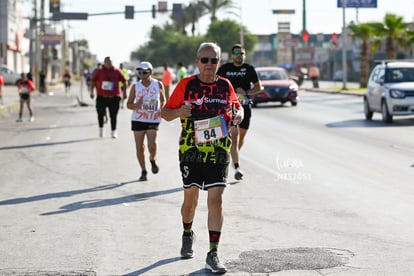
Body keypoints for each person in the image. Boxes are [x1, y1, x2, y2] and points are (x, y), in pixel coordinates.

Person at [161, 42, 244, 274]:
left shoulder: (225, 85)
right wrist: (178, 112)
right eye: (205, 60)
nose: (209, 64)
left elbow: (238, 107)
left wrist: (238, 114)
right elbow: (164, 113)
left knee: (216, 200)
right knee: (191, 201)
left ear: (219, 62)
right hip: (191, 151)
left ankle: (213, 253)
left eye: (214, 60)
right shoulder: (186, 85)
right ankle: (187, 232)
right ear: (197, 62)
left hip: (218, 151)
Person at [217, 44, 261, 180]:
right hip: (227, 106)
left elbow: (259, 87)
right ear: (232, 56)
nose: (239, 55)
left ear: (244, 55)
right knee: (232, 134)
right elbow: (215, 83)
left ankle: (233, 154)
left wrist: (246, 92)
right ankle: (235, 164)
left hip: (244, 106)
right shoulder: (225, 69)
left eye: (241, 53)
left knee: (241, 136)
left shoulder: (249, 69)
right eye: (236, 53)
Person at [126, 61, 165, 181]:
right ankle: (143, 171)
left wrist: (161, 110)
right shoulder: (135, 86)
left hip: (153, 119)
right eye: (140, 72)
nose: (142, 74)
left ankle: (152, 159)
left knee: (152, 145)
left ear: (151, 72)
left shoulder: (158, 84)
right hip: (138, 119)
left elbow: (163, 100)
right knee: (140, 147)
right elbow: (128, 104)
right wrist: (136, 105)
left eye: (145, 72)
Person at [90, 56, 127, 138]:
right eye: (107, 62)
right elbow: (93, 81)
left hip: (114, 97)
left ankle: (114, 131)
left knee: (113, 115)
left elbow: (124, 81)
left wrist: (124, 93)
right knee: (100, 114)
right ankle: (101, 129)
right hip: (102, 97)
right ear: (104, 63)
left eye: (110, 62)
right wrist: (91, 92)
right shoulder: (99, 71)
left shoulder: (117, 71)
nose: (109, 63)